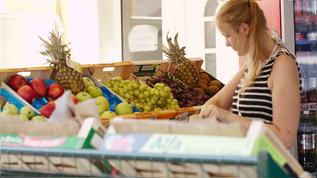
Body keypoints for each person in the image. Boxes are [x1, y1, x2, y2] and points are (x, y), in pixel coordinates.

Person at [199, 0, 301, 150]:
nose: (227, 43)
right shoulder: (253, 64)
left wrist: (228, 117)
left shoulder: (283, 65)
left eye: (228, 35)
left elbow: (284, 138)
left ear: (244, 28)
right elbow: (213, 105)